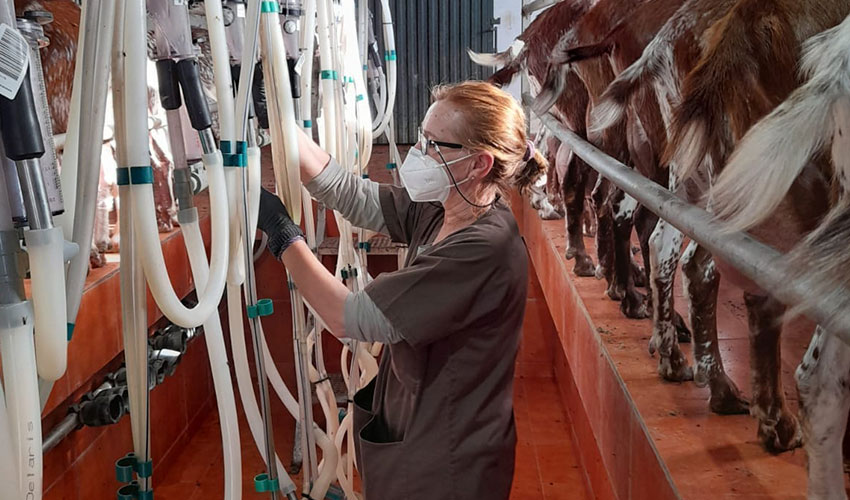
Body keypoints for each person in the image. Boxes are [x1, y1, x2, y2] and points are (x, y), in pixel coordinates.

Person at [258, 81, 548, 499]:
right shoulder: (444, 208)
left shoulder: (484, 249)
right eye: (422, 136)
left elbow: (348, 317)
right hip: (418, 423)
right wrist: (278, 119)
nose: (419, 151)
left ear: (479, 163)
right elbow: (351, 194)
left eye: (433, 144)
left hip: (449, 456)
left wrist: (284, 235)